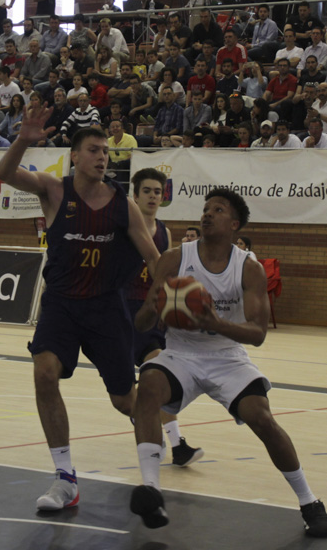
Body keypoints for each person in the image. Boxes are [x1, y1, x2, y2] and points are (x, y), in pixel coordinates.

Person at [128, 188, 327, 538]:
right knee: (147, 390)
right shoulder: (175, 258)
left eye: (218, 210)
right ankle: (152, 492)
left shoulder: (248, 268)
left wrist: (214, 323)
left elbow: (257, 334)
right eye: (205, 209)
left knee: (262, 418)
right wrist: (153, 308)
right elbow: (142, 324)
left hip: (227, 357)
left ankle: (310, 501)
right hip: (181, 354)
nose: (207, 214)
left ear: (234, 224)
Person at [0, 103, 161, 512]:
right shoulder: (54, 190)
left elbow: (155, 260)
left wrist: (168, 295)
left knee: (128, 402)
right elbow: (4, 174)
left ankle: (153, 478)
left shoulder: (124, 205)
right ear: (75, 156)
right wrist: (22, 139)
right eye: (93, 149)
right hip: (62, 307)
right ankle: (65, 478)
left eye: (105, 151)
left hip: (106, 310)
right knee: (44, 373)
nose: (102, 156)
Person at [125, 168, 205, 465]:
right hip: (127, 309)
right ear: (135, 195)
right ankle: (169, 439)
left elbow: (167, 273)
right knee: (154, 372)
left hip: (154, 309)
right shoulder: (124, 227)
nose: (153, 196)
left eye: (157, 192)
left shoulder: (165, 231)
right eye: (147, 191)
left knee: (157, 378)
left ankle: (173, 443)